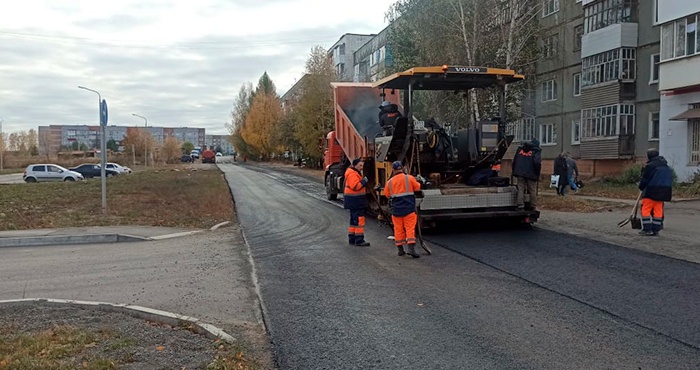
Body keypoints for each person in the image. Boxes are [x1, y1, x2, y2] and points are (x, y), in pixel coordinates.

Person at [384, 161, 422, 258]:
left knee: (398, 229)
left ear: (393, 170)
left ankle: (400, 250)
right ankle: (411, 249)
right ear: (402, 168)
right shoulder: (409, 178)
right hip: (409, 209)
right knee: (409, 228)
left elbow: (387, 195)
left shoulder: (389, 182)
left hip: (396, 210)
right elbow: (417, 188)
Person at [638, 148, 673, 236]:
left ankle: (647, 229)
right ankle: (656, 229)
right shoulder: (666, 166)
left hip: (651, 191)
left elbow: (645, 179)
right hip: (665, 191)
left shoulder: (650, 166)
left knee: (645, 209)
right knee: (658, 210)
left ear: (649, 156)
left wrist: (641, 187)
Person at [344, 158, 370, 246]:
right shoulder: (352, 174)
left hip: (353, 200)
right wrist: (363, 182)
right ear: (354, 165)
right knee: (359, 220)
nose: (361, 167)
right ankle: (359, 240)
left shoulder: (353, 173)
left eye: (362, 165)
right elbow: (355, 186)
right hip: (355, 200)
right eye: (360, 165)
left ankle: (352, 238)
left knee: (353, 221)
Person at [512, 138, 542, 210]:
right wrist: (537, 173)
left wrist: (514, 170)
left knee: (521, 189)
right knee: (532, 190)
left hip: (520, 172)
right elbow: (537, 163)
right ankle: (533, 205)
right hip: (531, 173)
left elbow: (515, 160)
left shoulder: (520, 149)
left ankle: (520, 205)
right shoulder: (536, 151)